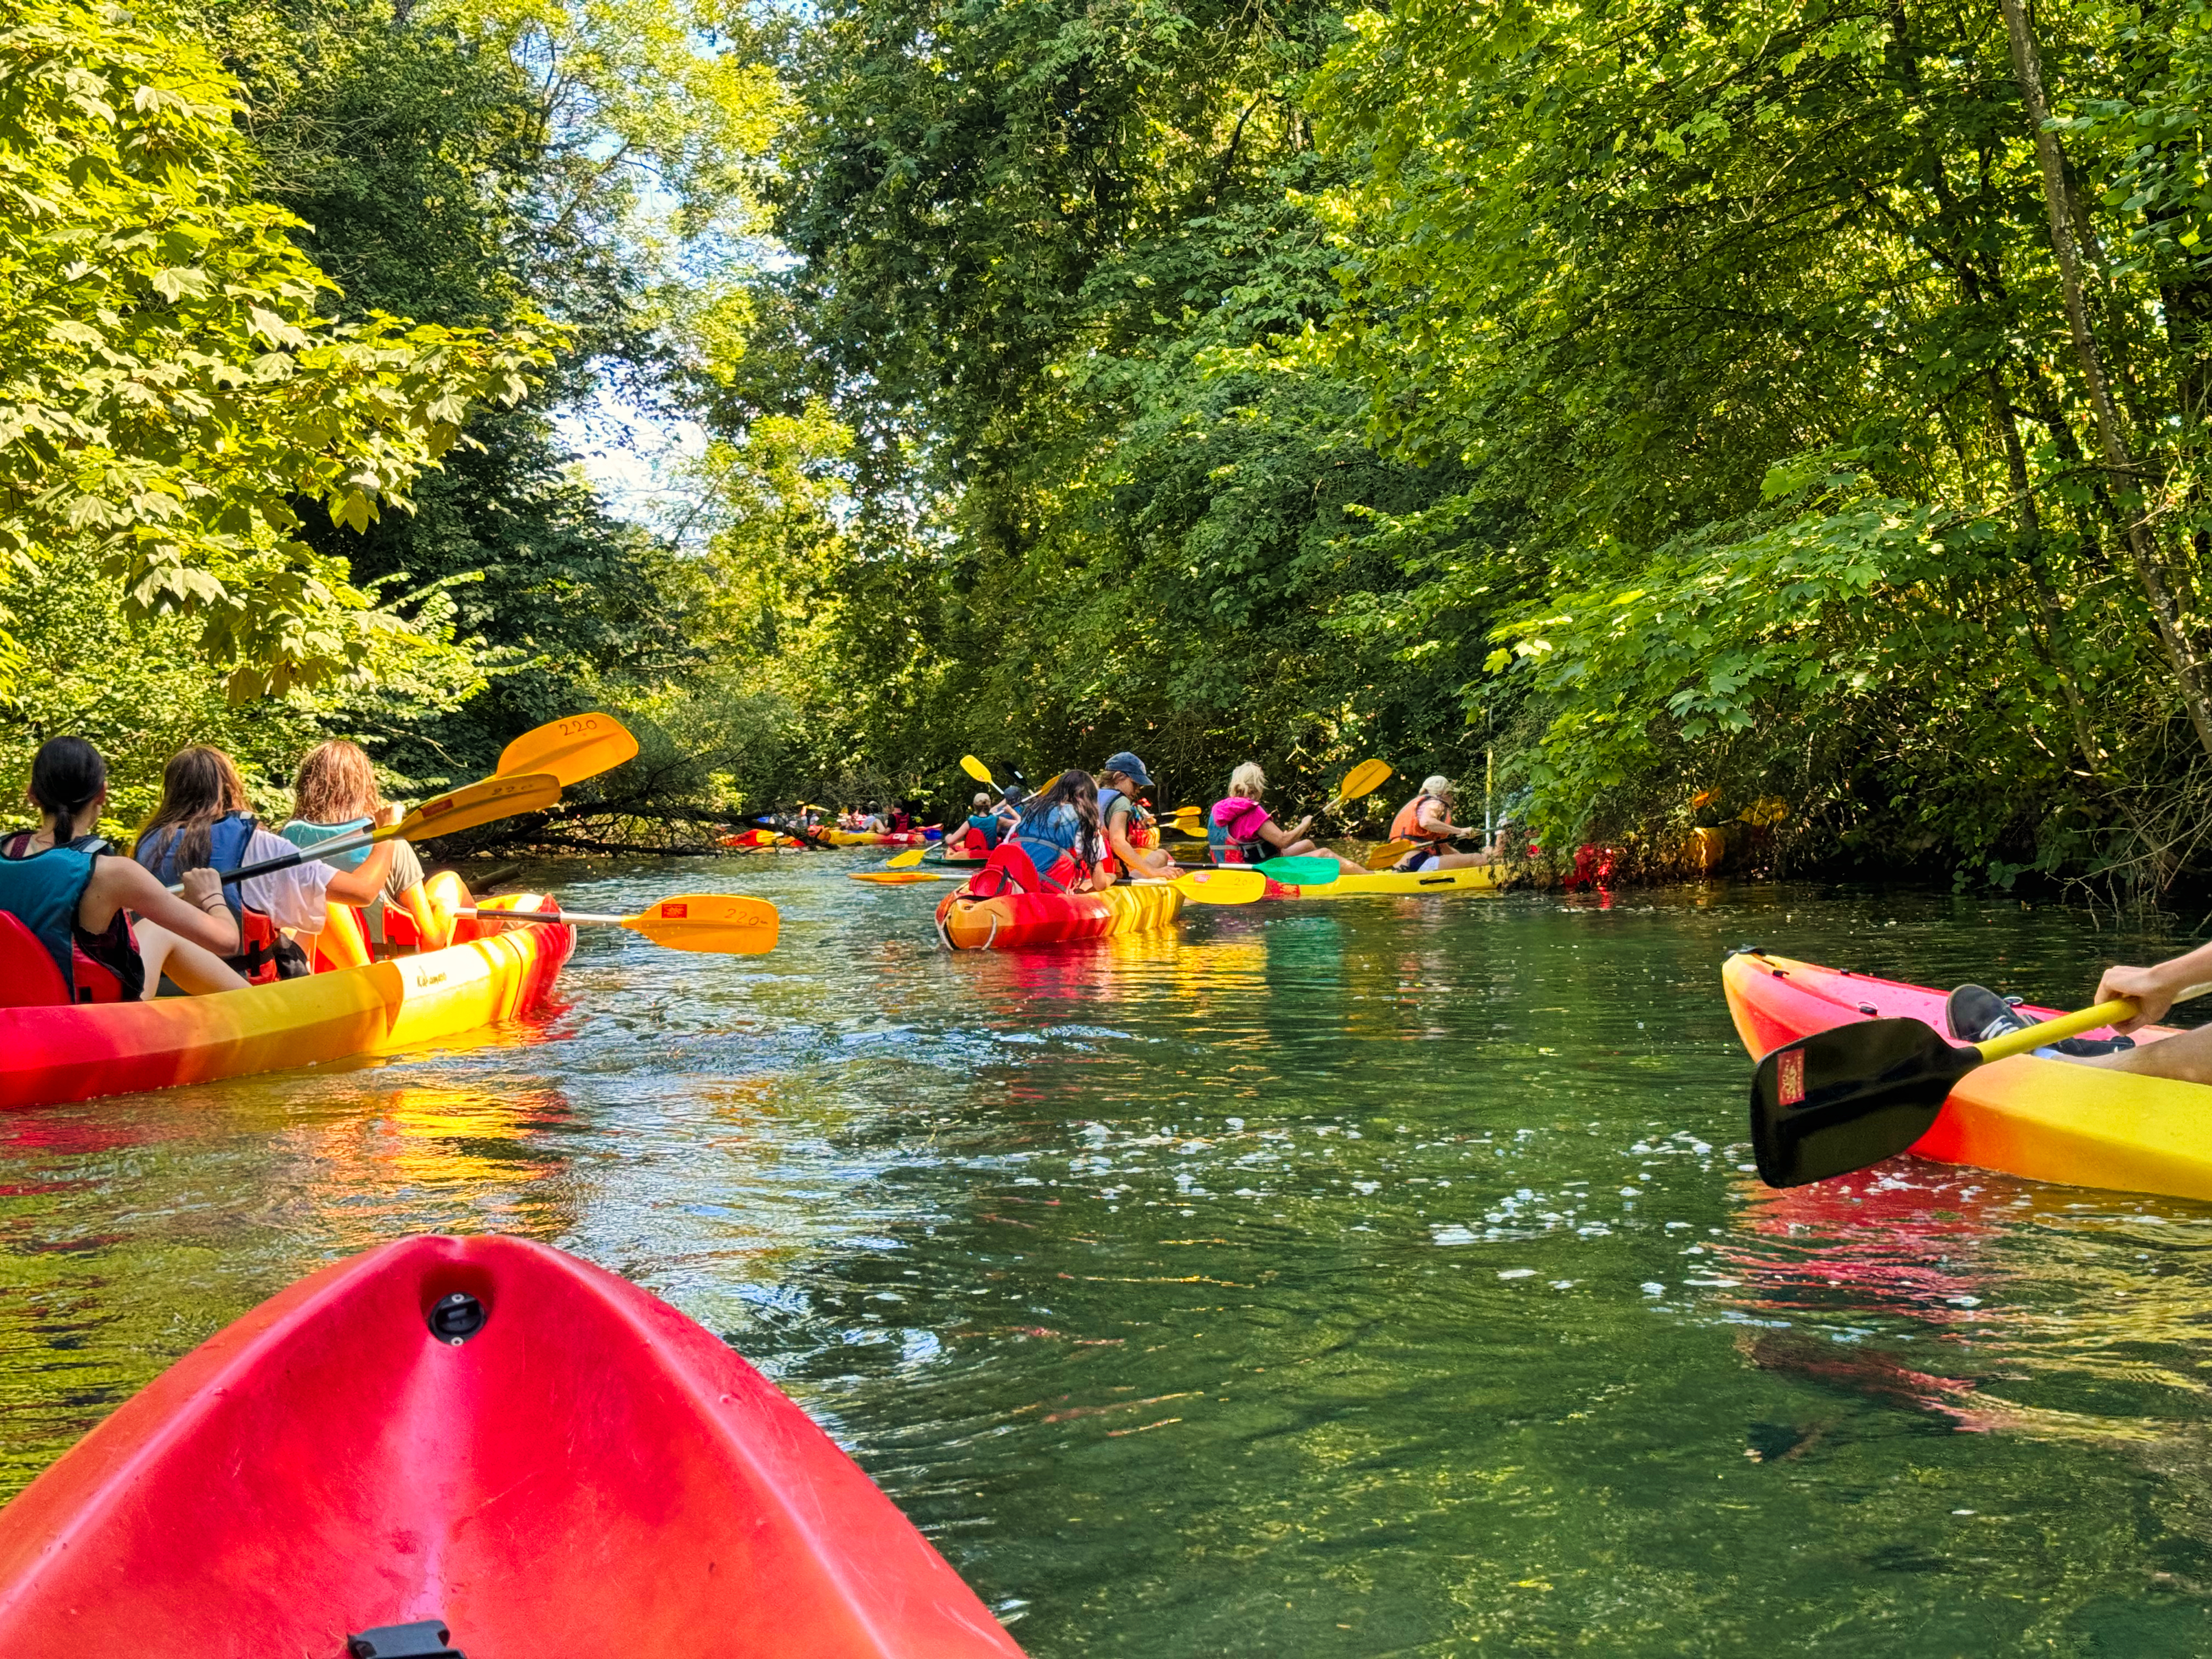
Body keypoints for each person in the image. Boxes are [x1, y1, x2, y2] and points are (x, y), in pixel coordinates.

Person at [0, 736, 245, 1000]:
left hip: (16, 1016)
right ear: (102, 793)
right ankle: (265, 1014)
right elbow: (226, 942)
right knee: (161, 931)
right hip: (88, 1024)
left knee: (156, 929)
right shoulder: (113, 873)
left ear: (32, 794)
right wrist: (212, 895)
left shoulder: (8, 849)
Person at [133, 746, 400, 984]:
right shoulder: (262, 846)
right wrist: (389, 833)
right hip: (240, 991)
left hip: (163, 986)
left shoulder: (146, 846)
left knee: (305, 905)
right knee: (321, 904)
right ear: (229, 790)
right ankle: (360, 984)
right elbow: (363, 892)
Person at [283, 740, 460, 952]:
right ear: (365, 787)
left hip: (317, 965)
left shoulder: (287, 839)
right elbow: (431, 942)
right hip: (382, 965)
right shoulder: (389, 843)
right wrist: (444, 909)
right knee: (448, 881)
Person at [1207, 763, 1365, 874]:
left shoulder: (1218, 810)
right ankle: (1369, 876)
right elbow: (1283, 841)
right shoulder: (1252, 811)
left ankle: (1335, 875)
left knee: (1307, 845)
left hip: (1230, 869)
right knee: (1325, 854)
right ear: (1259, 786)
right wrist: (1304, 825)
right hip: (1258, 872)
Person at [1006, 770, 1109, 891]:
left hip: (1013, 885)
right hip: (1047, 893)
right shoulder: (1086, 821)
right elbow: (1100, 884)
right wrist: (1110, 878)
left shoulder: (1031, 811)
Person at [1097, 751, 1176, 881]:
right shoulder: (1121, 801)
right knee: (1162, 855)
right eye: (1135, 784)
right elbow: (1117, 842)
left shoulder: (1091, 794)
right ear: (1118, 777)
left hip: (1092, 873)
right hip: (1112, 876)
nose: (1138, 790)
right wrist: (1153, 872)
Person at [1386, 776, 1491, 872]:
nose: (1452, 798)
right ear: (1445, 794)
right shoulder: (1435, 804)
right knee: (1478, 858)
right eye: (1451, 794)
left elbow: (1443, 847)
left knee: (1473, 860)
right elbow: (1427, 822)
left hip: (1402, 863)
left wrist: (1463, 859)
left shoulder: (1422, 805)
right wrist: (1460, 831)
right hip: (1418, 861)